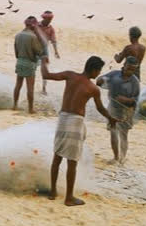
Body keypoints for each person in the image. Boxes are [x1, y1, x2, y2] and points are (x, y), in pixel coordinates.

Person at [41, 56, 117, 206]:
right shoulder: (93, 88)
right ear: (94, 70)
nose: (98, 74)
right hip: (75, 122)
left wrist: (43, 62)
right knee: (72, 161)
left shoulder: (70, 75)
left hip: (62, 118)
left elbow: (46, 75)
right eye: (99, 70)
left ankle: (52, 191)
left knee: (57, 156)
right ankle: (69, 198)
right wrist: (111, 118)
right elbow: (100, 108)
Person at [96, 56, 140, 164]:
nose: (130, 71)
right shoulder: (114, 74)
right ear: (124, 65)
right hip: (113, 108)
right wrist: (100, 80)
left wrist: (127, 100)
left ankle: (123, 157)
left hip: (127, 111)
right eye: (128, 68)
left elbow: (136, 100)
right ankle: (116, 157)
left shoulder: (135, 81)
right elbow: (100, 81)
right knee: (113, 132)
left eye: (132, 69)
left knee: (123, 134)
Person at [13, 16, 45, 114]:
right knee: (30, 88)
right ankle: (30, 109)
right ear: (33, 25)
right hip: (29, 63)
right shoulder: (33, 37)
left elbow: (16, 52)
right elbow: (39, 51)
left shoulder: (18, 35)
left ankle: (14, 105)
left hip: (19, 62)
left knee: (18, 85)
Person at [36, 10, 60, 95]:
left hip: (44, 51)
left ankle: (44, 89)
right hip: (34, 49)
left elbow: (54, 41)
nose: (49, 21)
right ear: (44, 18)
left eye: (51, 19)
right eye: (48, 19)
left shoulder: (51, 28)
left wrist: (56, 51)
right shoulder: (36, 25)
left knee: (45, 70)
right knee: (32, 68)